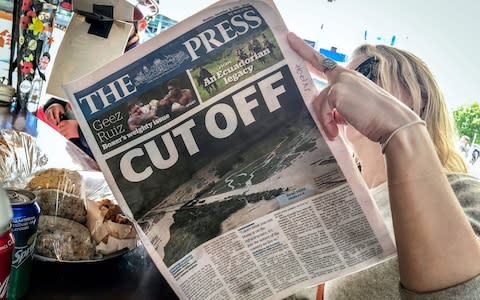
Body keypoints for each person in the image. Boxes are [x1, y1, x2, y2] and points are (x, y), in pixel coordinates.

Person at [287, 32, 480, 299]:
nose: (346, 87)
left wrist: (400, 130)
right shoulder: (337, 209)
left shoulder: (464, 192)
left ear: (419, 95)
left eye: (366, 73)